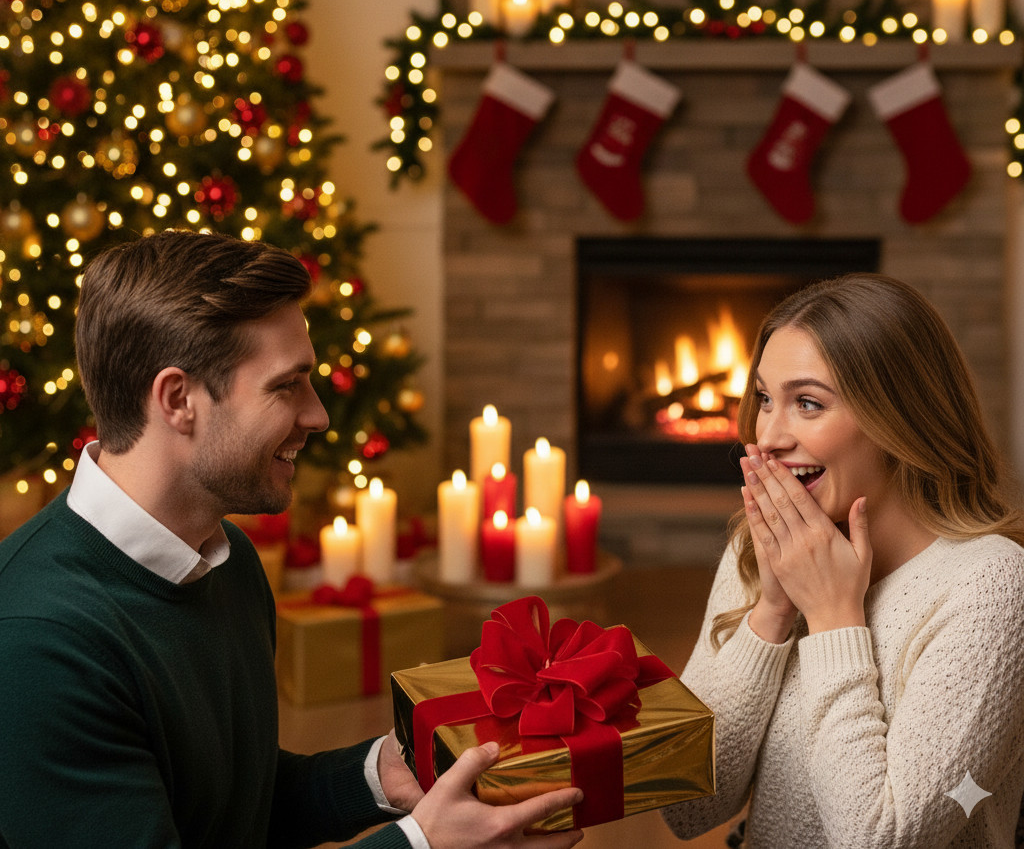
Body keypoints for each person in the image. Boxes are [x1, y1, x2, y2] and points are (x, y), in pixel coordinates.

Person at [0, 230, 584, 849]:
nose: (318, 414)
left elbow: (226, 811)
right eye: (286, 385)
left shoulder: (227, 560)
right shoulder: (37, 645)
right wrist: (423, 845)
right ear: (178, 399)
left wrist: (380, 778)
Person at [659, 272, 1024, 848]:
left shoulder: (990, 586)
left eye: (807, 403)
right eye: (763, 399)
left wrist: (833, 617)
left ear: (900, 418)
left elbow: (878, 838)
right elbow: (685, 809)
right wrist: (771, 614)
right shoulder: (758, 551)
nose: (768, 436)